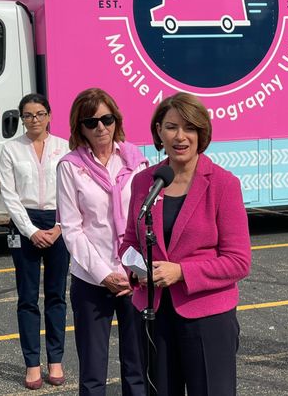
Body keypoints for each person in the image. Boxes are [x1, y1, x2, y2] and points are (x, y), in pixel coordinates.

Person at [119, 92, 252, 396]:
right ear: (158, 132)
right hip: (154, 313)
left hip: (207, 316)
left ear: (201, 134)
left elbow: (239, 261)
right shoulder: (144, 182)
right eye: (171, 127)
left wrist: (181, 272)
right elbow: (129, 239)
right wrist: (136, 270)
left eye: (189, 128)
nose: (180, 136)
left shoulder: (223, 184)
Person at [56, 88, 148, 396]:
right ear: (79, 127)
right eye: (91, 121)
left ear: (116, 120)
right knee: (93, 374)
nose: (101, 128)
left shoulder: (136, 160)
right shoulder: (70, 166)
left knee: (137, 368)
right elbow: (72, 229)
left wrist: (132, 270)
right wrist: (103, 274)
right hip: (91, 280)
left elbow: (143, 219)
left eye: (107, 119)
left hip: (134, 276)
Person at [0, 93, 70, 390]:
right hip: (24, 224)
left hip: (57, 223)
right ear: (21, 119)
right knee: (27, 299)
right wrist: (30, 231)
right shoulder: (10, 149)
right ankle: (32, 363)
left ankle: (55, 359)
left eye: (39, 114)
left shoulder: (64, 147)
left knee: (56, 296)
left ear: (50, 115)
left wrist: (59, 226)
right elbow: (9, 195)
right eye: (28, 115)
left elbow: (72, 191)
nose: (34, 120)